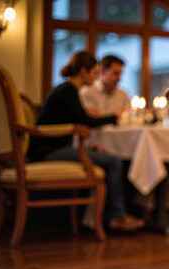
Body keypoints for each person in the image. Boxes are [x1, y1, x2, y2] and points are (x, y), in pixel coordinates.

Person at [27, 51, 144, 232]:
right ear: (83, 71)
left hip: (50, 148)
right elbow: (86, 121)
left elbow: (81, 121)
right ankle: (116, 216)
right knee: (113, 162)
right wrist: (114, 117)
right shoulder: (68, 91)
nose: (96, 77)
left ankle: (110, 215)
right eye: (95, 73)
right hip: (47, 151)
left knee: (109, 159)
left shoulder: (67, 90)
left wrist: (89, 139)